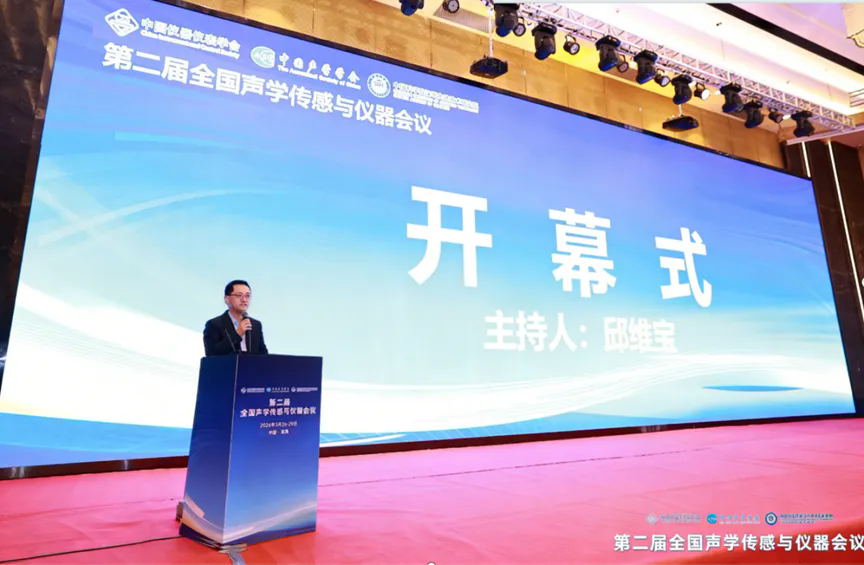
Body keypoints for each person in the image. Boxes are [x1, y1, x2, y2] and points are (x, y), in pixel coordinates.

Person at [203, 280, 269, 356]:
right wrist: (237, 333)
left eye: (247, 296)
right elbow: (211, 354)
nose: (244, 300)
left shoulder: (256, 325)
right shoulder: (214, 324)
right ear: (227, 299)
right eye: (239, 295)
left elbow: (264, 355)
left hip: (252, 364)